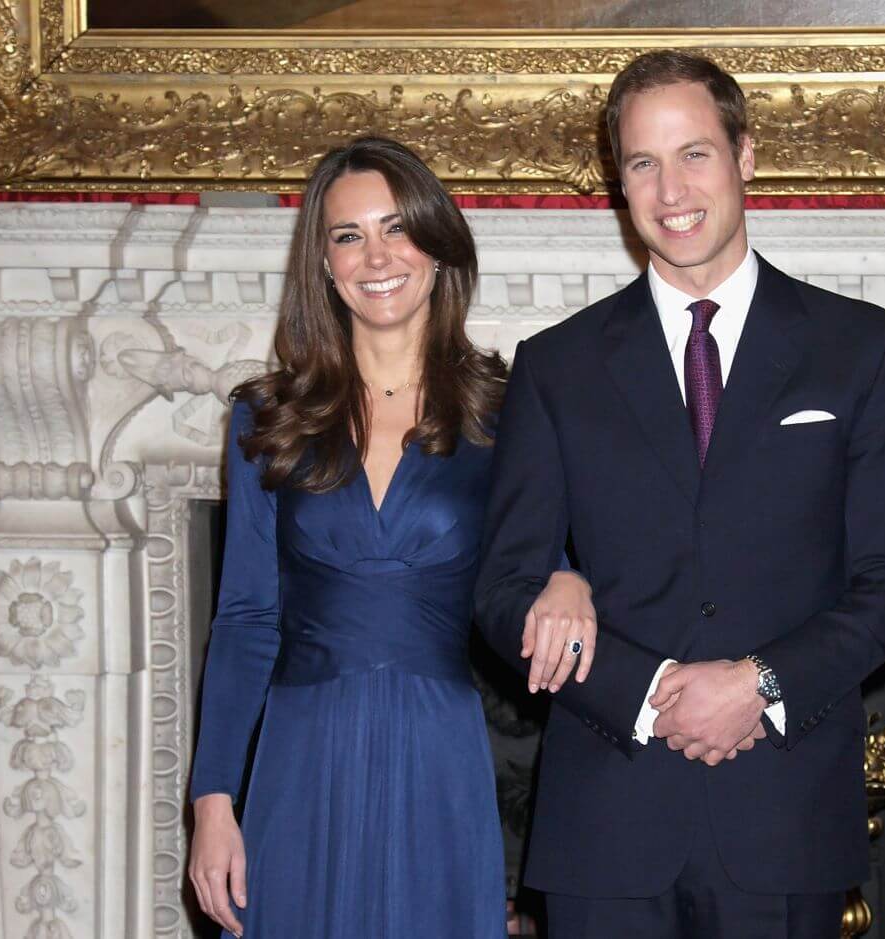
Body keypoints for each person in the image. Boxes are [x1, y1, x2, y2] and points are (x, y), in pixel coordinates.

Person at [474, 51, 885, 938]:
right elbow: (502, 591)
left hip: (787, 819)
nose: (669, 187)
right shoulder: (556, 367)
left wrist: (759, 683)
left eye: (694, 153)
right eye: (642, 163)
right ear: (619, 183)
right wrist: (647, 690)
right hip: (606, 823)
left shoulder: (860, 349)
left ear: (746, 158)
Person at [186, 136, 597, 939]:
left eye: (397, 227)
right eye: (349, 235)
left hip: (436, 753)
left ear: (438, 247)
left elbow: (546, 565)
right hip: (299, 757)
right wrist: (212, 801)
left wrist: (571, 577)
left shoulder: (506, 414)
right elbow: (244, 619)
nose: (377, 255)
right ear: (326, 264)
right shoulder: (266, 418)